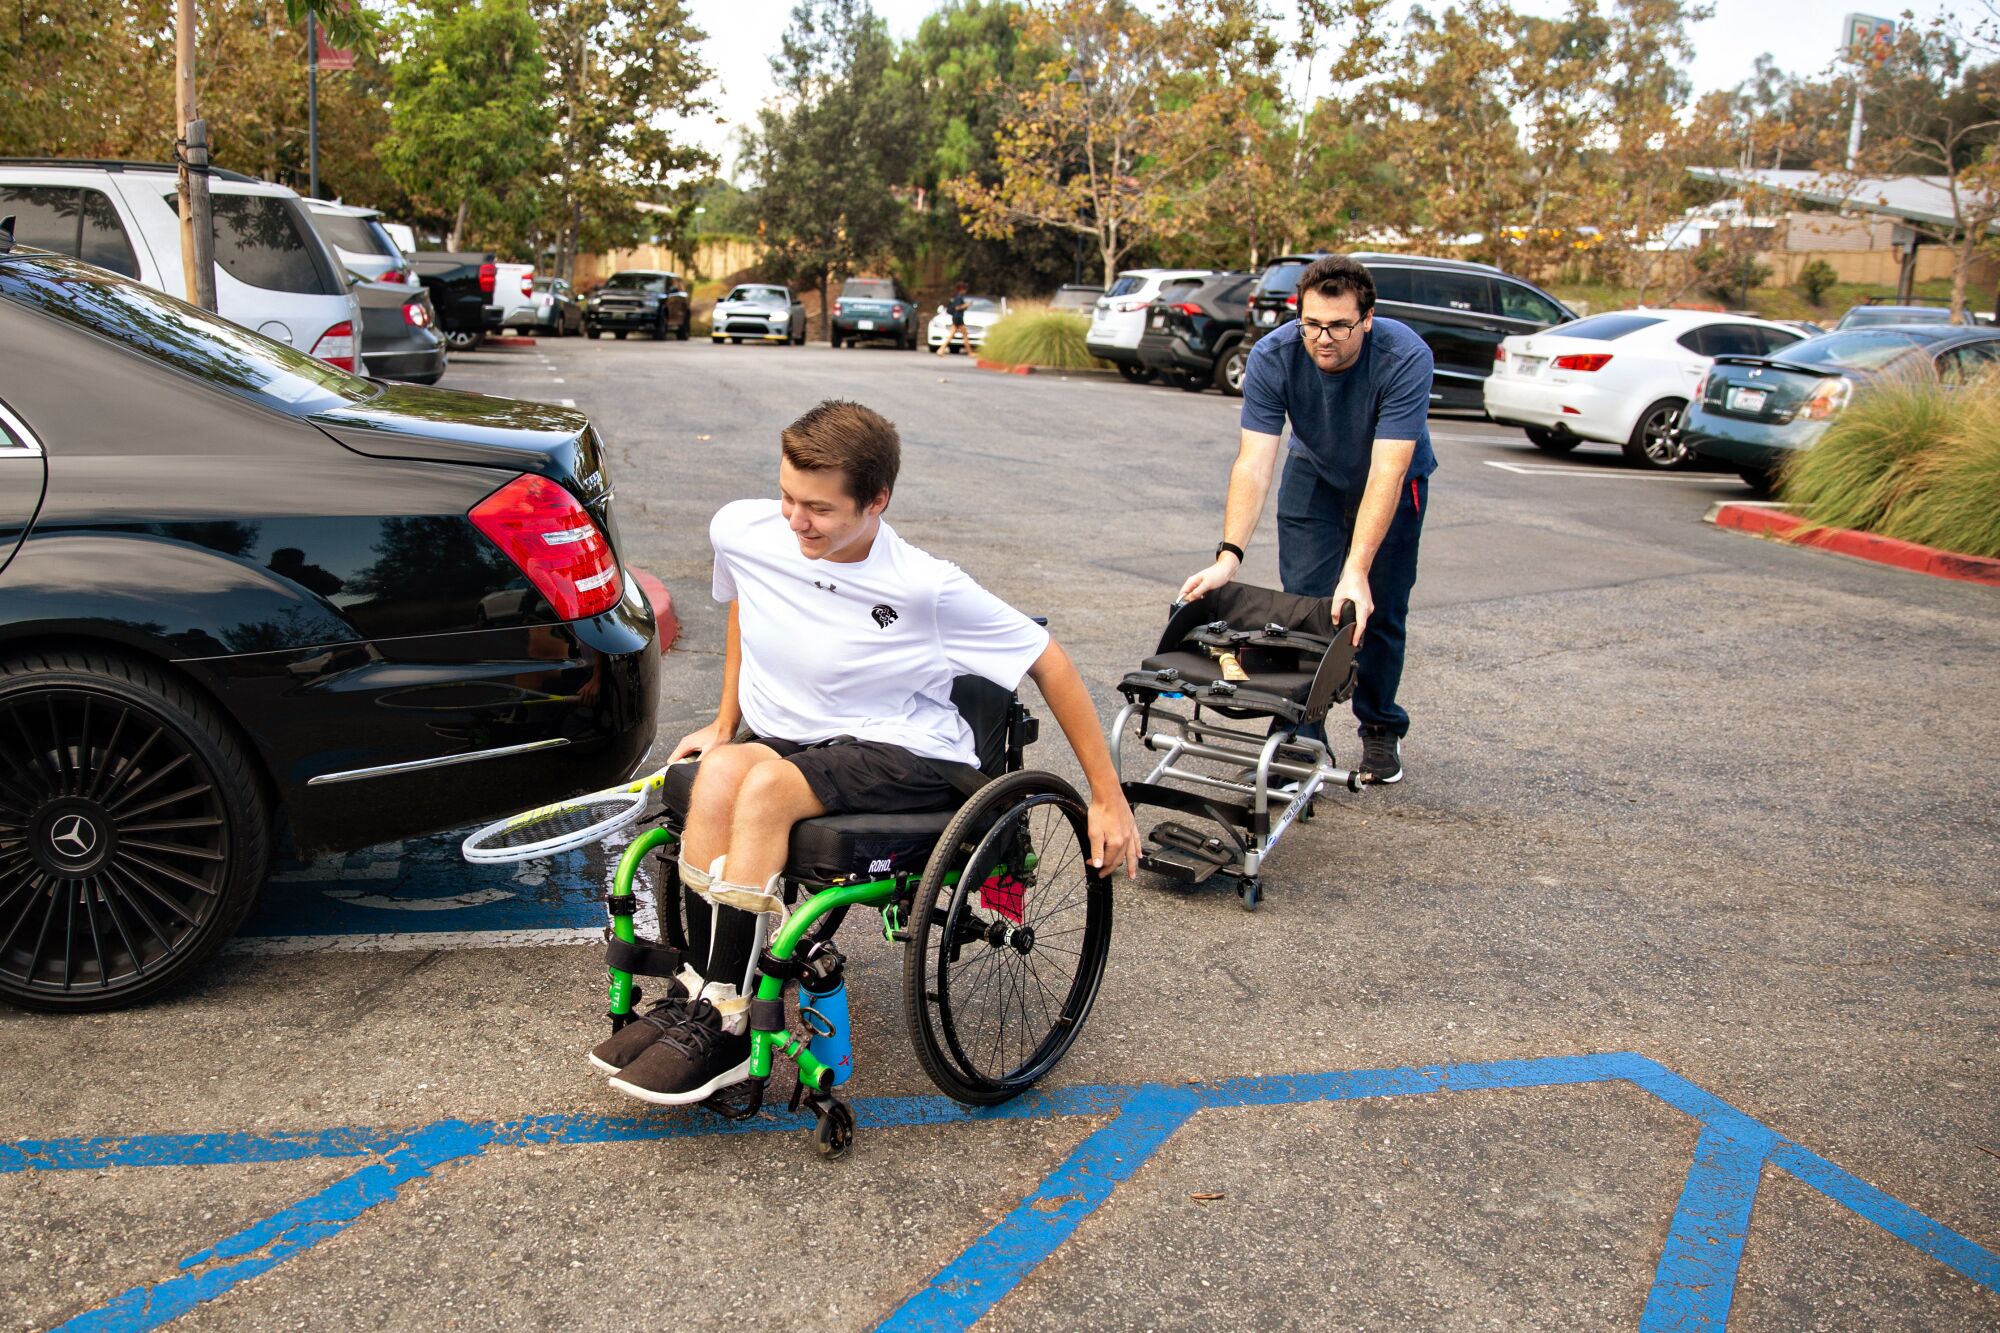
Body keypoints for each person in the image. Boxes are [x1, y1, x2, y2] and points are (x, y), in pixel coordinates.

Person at [596, 399, 1141, 1105]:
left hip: (902, 752)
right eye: (788, 496)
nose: (795, 520)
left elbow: (1049, 661)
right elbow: (748, 609)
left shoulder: (924, 586)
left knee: (762, 792)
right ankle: (699, 993)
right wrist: (726, 722)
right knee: (718, 775)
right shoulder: (744, 528)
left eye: (819, 509)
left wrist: (1106, 794)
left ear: (876, 500)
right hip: (796, 737)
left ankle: (728, 1024)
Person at [1177, 255, 1434, 785]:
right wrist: (1229, 557)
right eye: (1312, 323)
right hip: (1312, 475)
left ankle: (1381, 727)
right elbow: (1253, 461)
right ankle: (1301, 739)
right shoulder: (1274, 355)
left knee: (1374, 612)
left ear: (1366, 318)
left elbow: (1387, 471)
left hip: (1390, 480)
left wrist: (1358, 569)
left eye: (1340, 325)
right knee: (1308, 611)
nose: (1324, 337)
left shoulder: (1403, 355)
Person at [937, 280, 972, 356]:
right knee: (964, 335)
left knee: (952, 335)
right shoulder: (959, 297)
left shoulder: (957, 297)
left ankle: (941, 349)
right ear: (962, 289)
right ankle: (970, 352)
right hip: (958, 318)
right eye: (964, 289)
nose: (965, 291)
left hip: (956, 318)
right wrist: (966, 305)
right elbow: (957, 308)